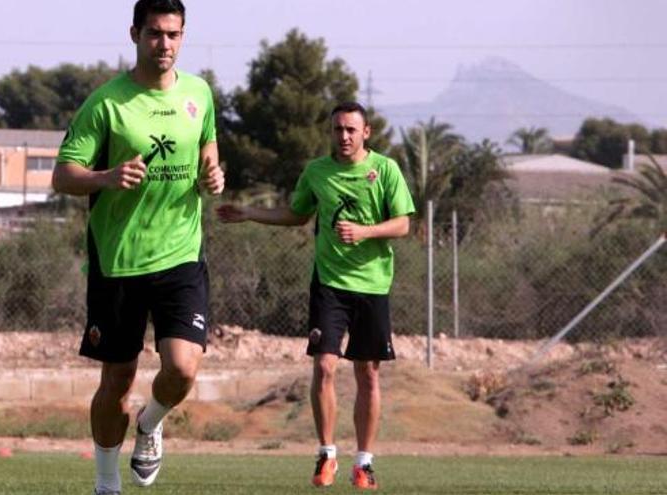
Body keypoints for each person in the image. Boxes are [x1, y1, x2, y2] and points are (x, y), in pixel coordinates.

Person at [51, 0, 224, 493]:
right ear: (134, 34)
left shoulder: (200, 93)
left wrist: (213, 173)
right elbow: (63, 175)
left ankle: (150, 423)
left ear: (183, 37)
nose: (164, 44)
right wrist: (106, 176)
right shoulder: (107, 103)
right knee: (116, 383)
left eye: (173, 34)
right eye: (154, 34)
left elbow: (208, 144)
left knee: (183, 368)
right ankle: (107, 483)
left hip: (181, 254)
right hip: (119, 261)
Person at [217, 102, 414, 490]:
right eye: (338, 129)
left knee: (368, 374)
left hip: (373, 286)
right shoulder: (316, 172)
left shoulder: (386, 170)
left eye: (351, 130)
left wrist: (364, 232)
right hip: (329, 285)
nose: (343, 137)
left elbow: (404, 223)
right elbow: (296, 214)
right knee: (324, 366)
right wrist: (249, 213)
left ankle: (364, 463)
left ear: (366, 133)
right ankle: (326, 455)